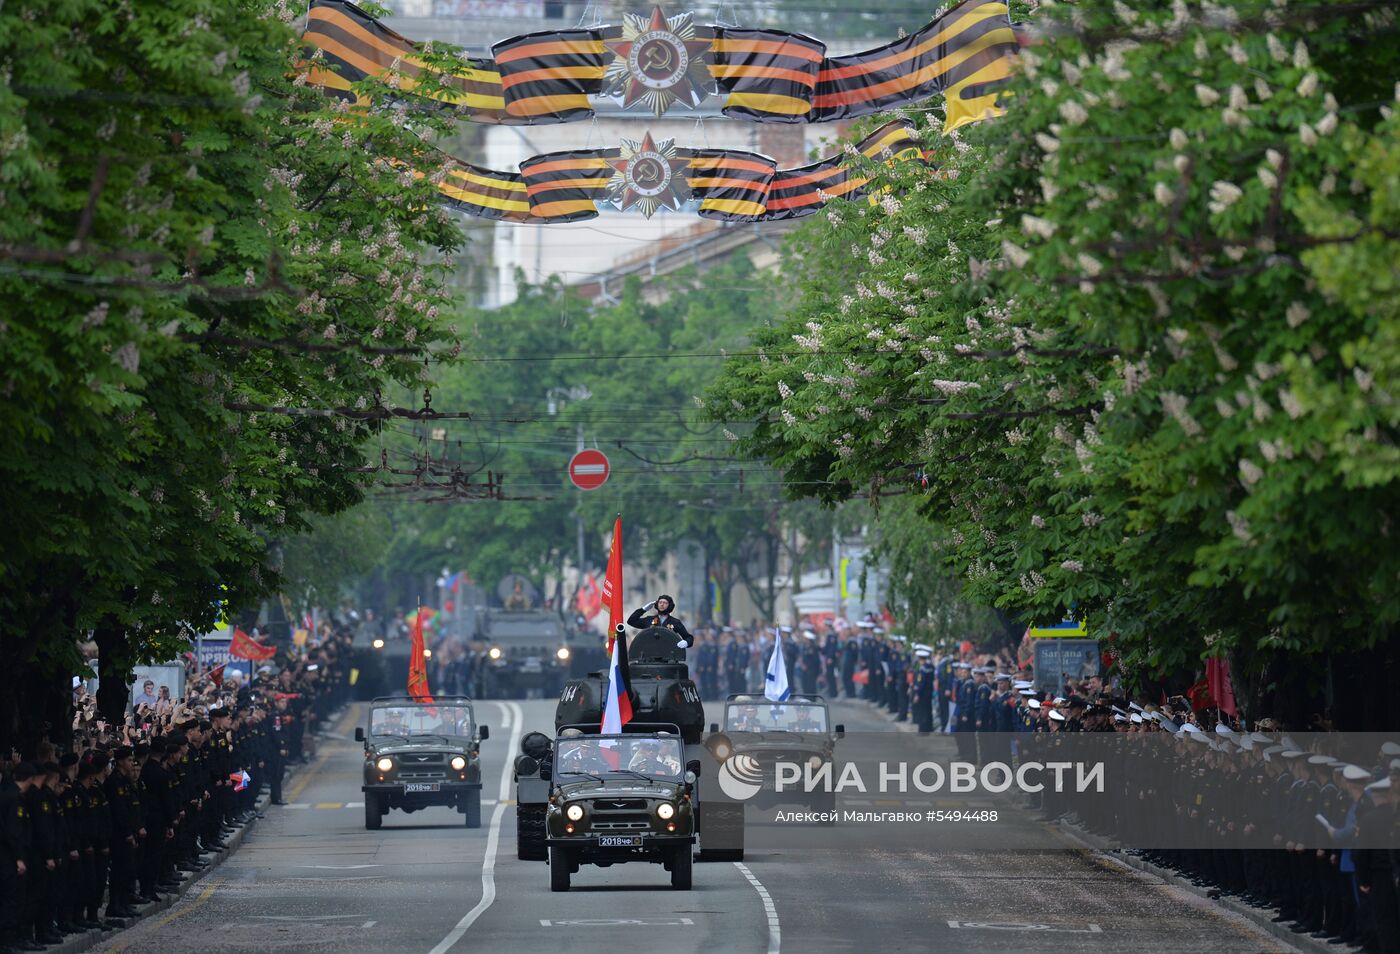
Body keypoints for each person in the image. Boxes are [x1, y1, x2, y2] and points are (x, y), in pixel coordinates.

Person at [627, 595, 694, 648]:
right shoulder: (649, 620)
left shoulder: (675, 622)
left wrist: (686, 642)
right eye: (660, 602)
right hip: (650, 654)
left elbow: (689, 637)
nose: (662, 604)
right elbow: (631, 621)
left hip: (669, 654)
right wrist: (643, 609)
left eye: (665, 603)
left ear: (669, 605)